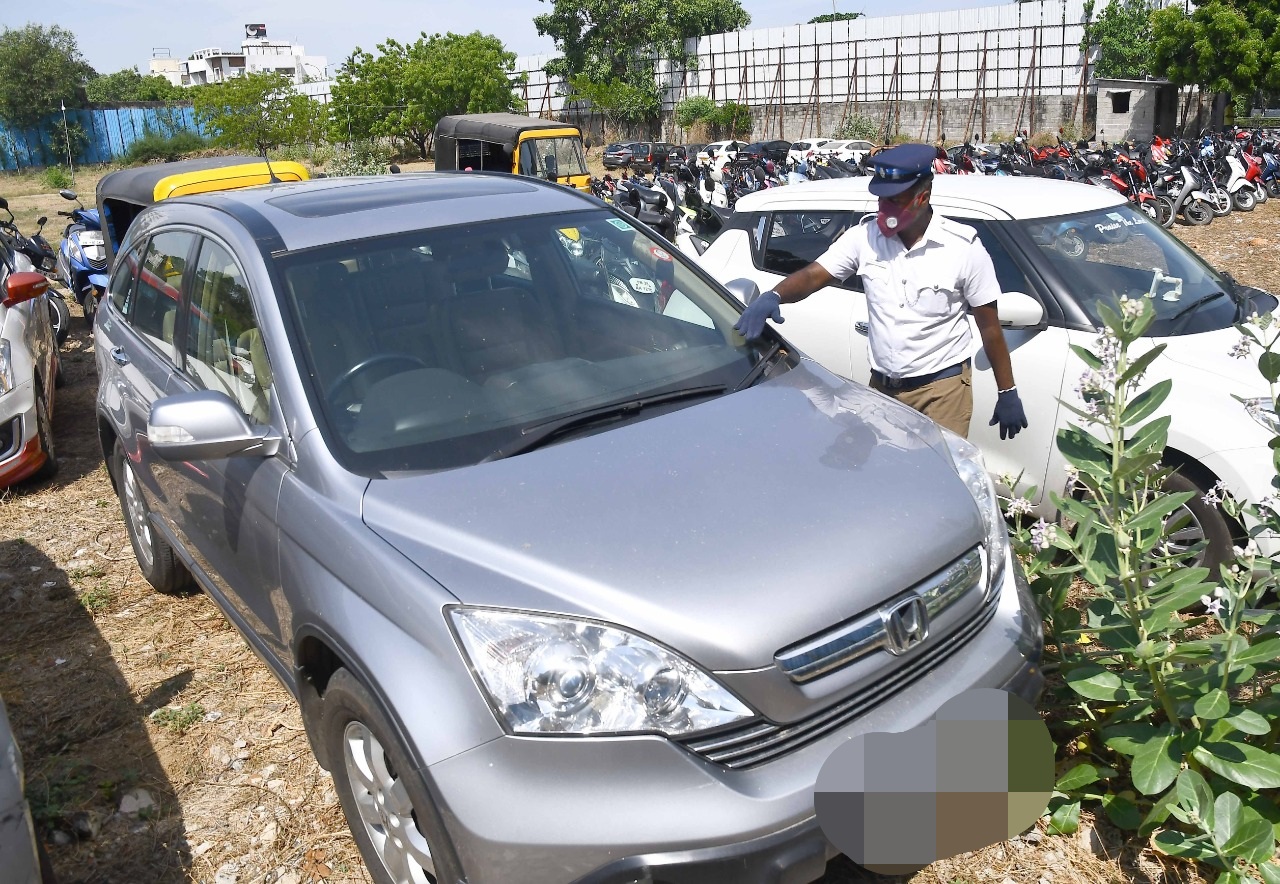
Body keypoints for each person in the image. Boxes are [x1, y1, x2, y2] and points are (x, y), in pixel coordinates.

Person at [732, 142, 1027, 441]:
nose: (884, 209)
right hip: (883, 391)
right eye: (880, 200)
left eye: (895, 200)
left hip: (942, 393)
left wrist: (1008, 391)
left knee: (937, 479)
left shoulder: (962, 249)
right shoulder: (865, 238)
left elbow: (990, 329)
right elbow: (814, 275)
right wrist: (775, 294)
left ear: (922, 197)